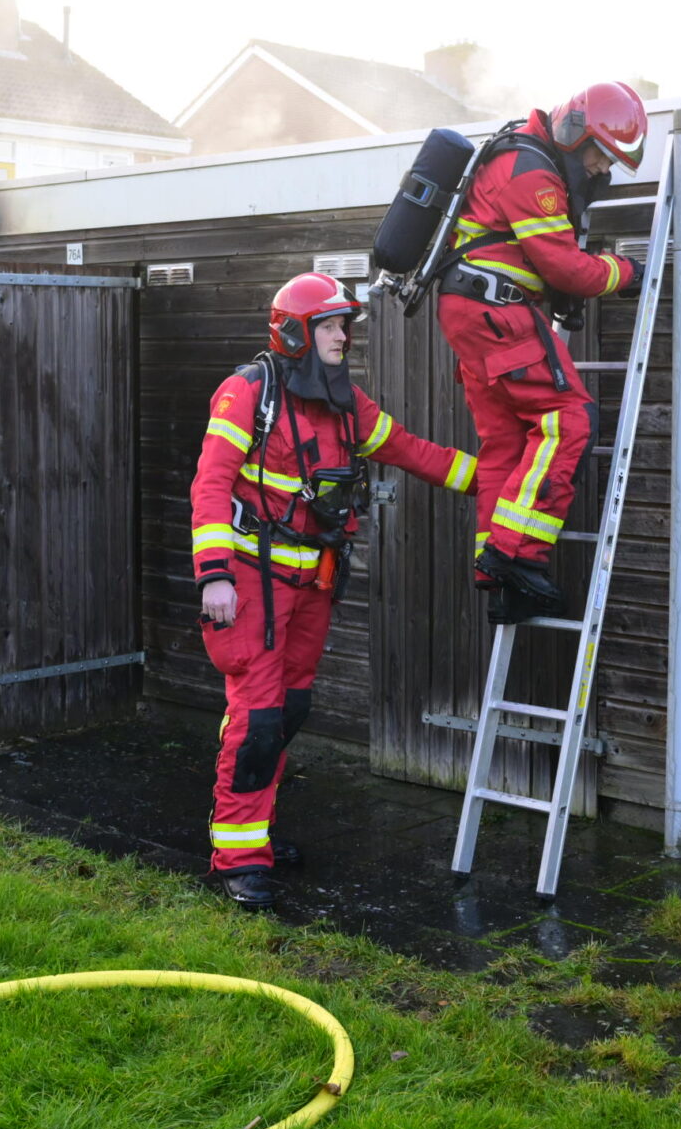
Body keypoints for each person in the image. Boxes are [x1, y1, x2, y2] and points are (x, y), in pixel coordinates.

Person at [189, 272, 477, 909]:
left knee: (288, 713)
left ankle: (254, 832)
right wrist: (213, 575)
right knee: (258, 718)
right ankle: (238, 857)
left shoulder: (345, 401)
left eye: (346, 325)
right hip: (249, 582)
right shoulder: (248, 395)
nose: (344, 336)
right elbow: (210, 486)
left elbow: (407, 449)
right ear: (295, 332)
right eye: (331, 326)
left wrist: (487, 482)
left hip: (313, 582)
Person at [433, 81, 649, 623]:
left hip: (474, 310)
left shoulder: (522, 158)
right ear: (577, 135)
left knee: (506, 441)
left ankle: (494, 572)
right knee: (568, 421)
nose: (603, 170)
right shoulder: (533, 174)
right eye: (602, 155)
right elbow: (564, 268)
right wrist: (627, 272)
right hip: (498, 310)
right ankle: (514, 554)